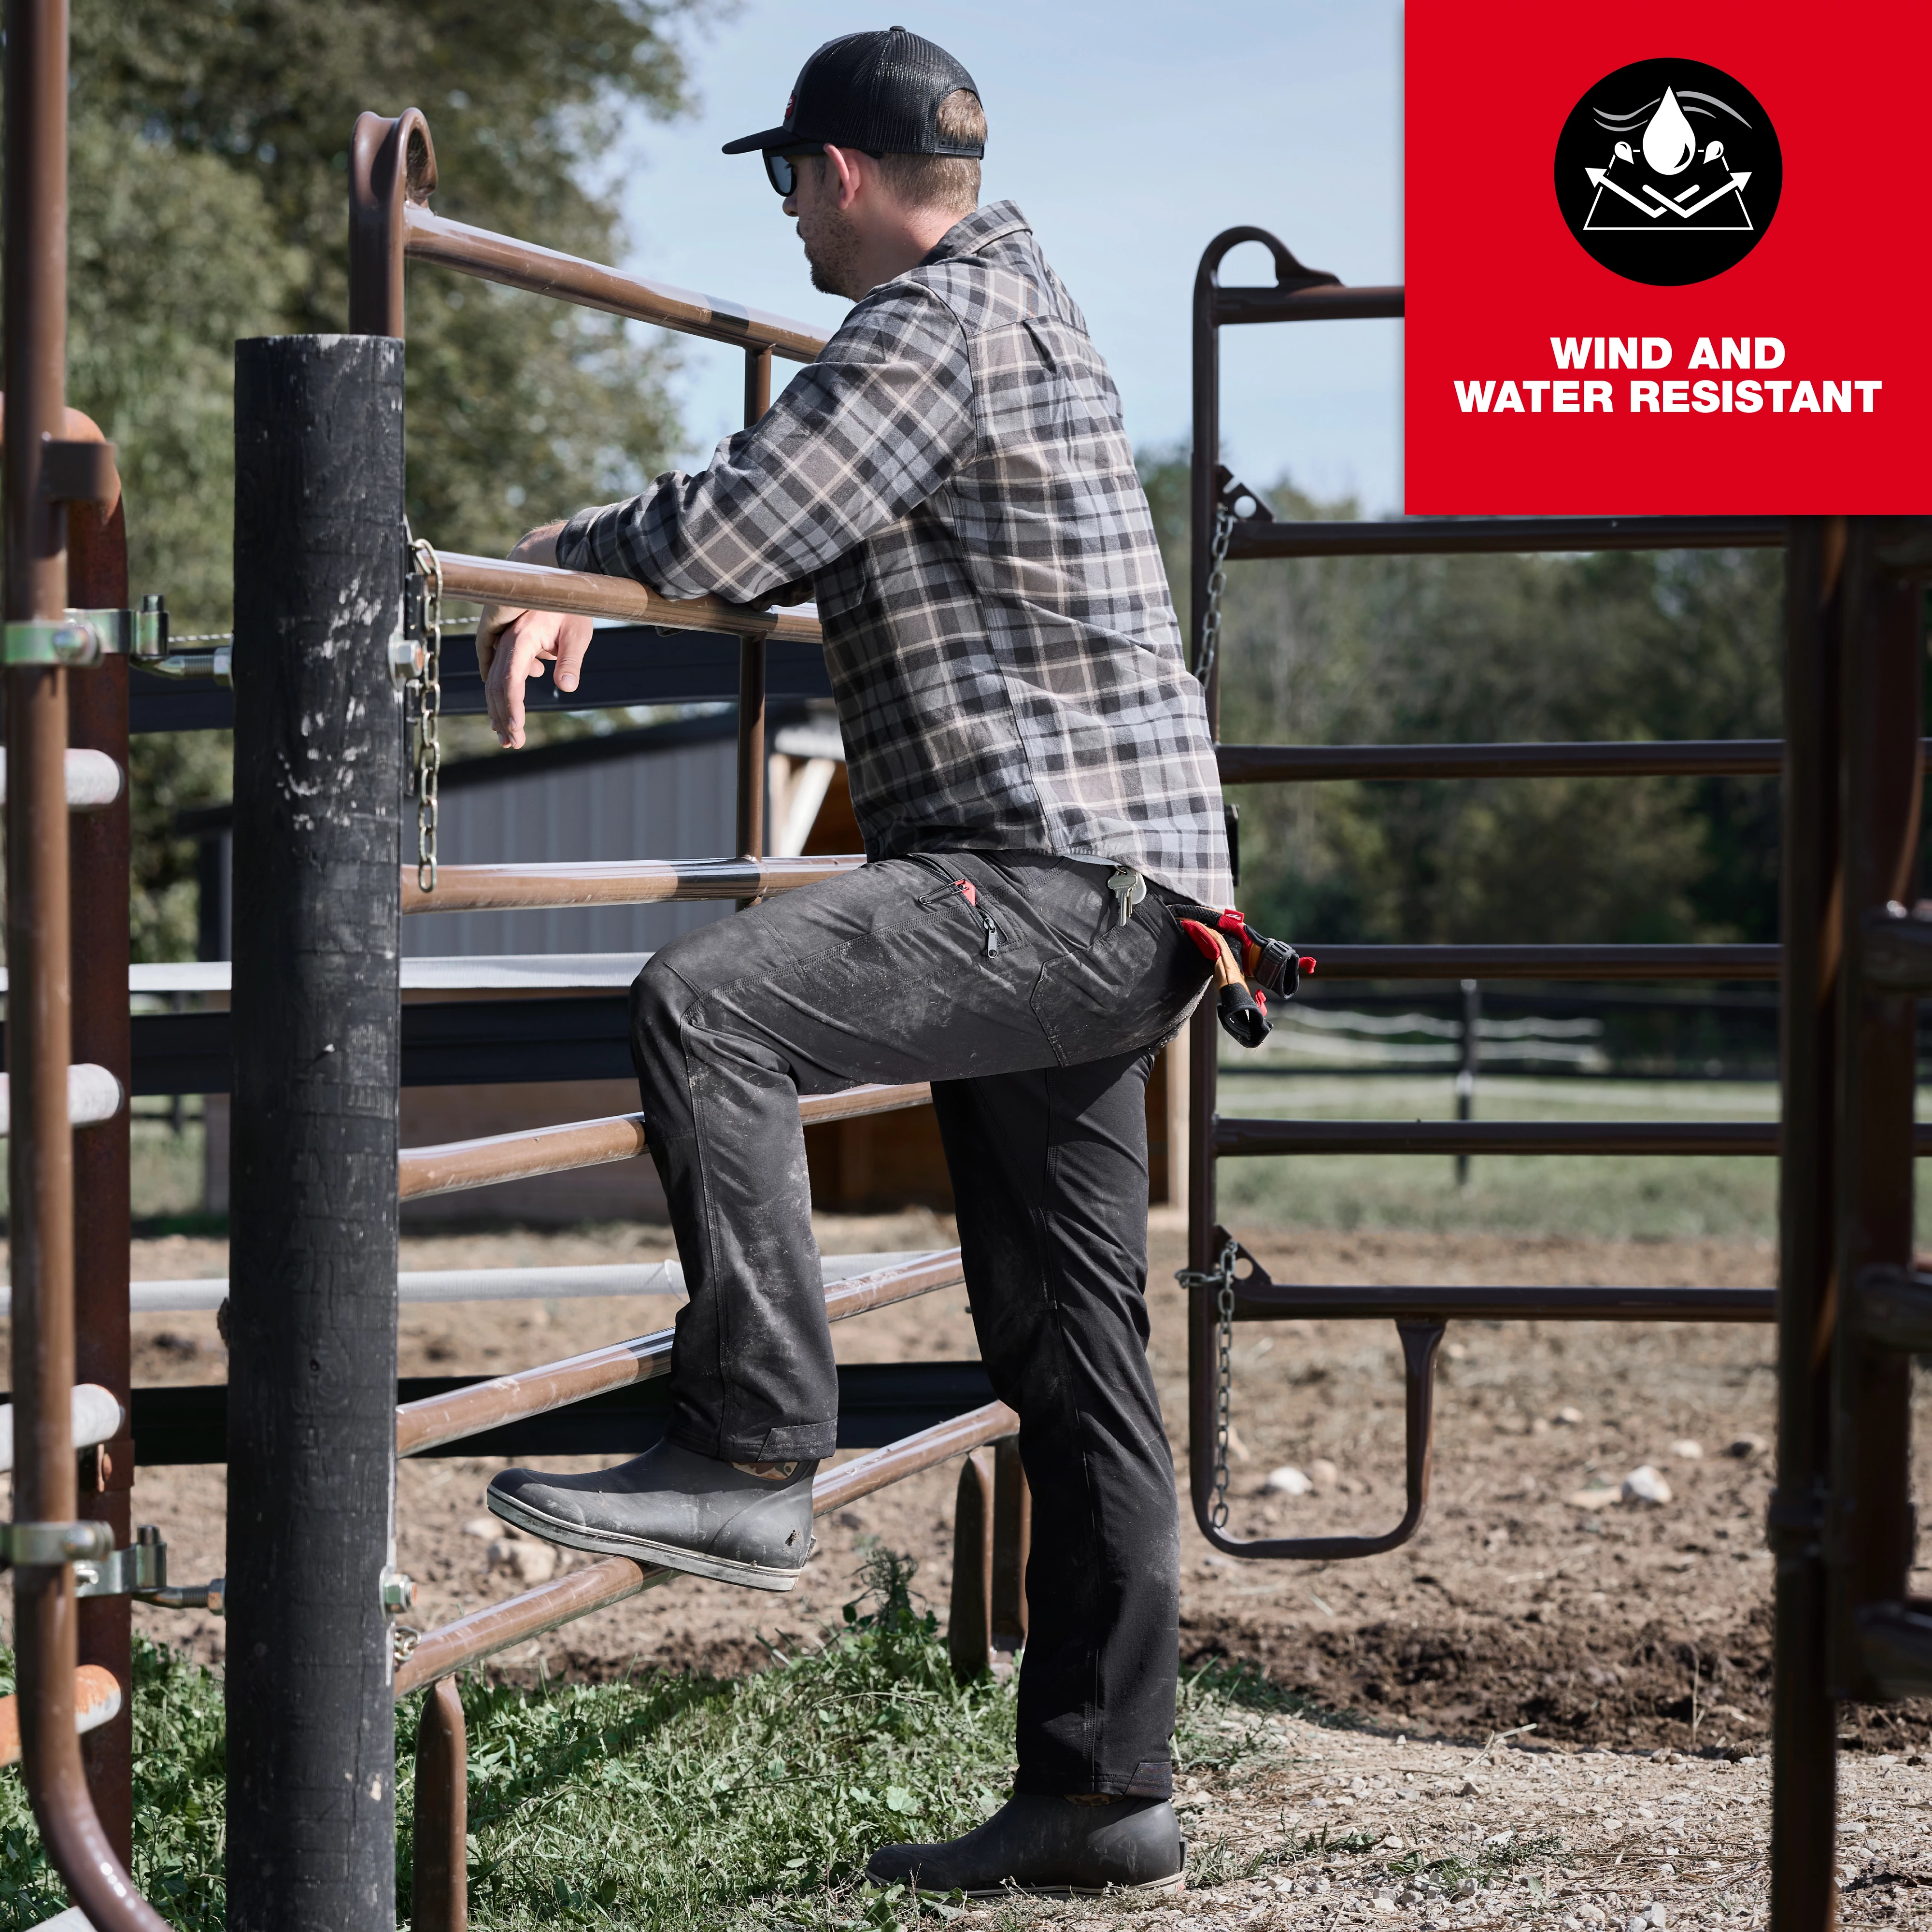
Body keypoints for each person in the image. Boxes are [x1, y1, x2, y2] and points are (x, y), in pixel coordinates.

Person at [475, 26, 1230, 1898]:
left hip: (1040, 880)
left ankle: (746, 1446)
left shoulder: (927, 328)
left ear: (832, 171)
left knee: (702, 1002)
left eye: (782, 182)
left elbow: (749, 521)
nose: (788, 221)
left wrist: (559, 569)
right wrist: (601, 562)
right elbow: (797, 520)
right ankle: (1098, 1792)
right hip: (1120, 899)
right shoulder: (1009, 306)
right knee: (1075, 1354)